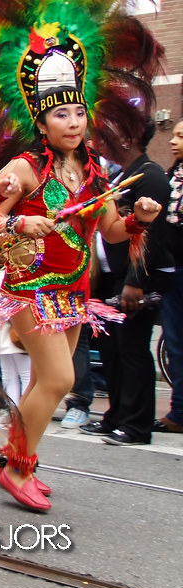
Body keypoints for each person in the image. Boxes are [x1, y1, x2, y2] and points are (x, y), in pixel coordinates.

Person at [0, 0, 163, 511]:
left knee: (53, 382)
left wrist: (138, 219)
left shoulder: (93, 171)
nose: (73, 122)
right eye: (61, 114)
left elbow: (110, 231)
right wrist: (20, 219)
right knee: (62, 380)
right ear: (41, 121)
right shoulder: (25, 168)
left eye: (78, 113)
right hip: (30, 289)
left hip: (74, 289)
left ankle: (16, 458)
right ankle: (16, 465)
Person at [81, 119, 172, 445]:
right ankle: (115, 416)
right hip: (108, 277)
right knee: (112, 350)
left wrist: (136, 280)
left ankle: (136, 425)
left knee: (132, 350)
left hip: (132, 278)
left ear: (129, 137)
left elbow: (151, 233)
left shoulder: (150, 176)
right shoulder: (119, 175)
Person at [155, 120, 183, 435]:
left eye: (181, 136)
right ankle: (179, 412)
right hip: (174, 271)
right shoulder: (172, 177)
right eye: (173, 135)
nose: (173, 141)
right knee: (175, 344)